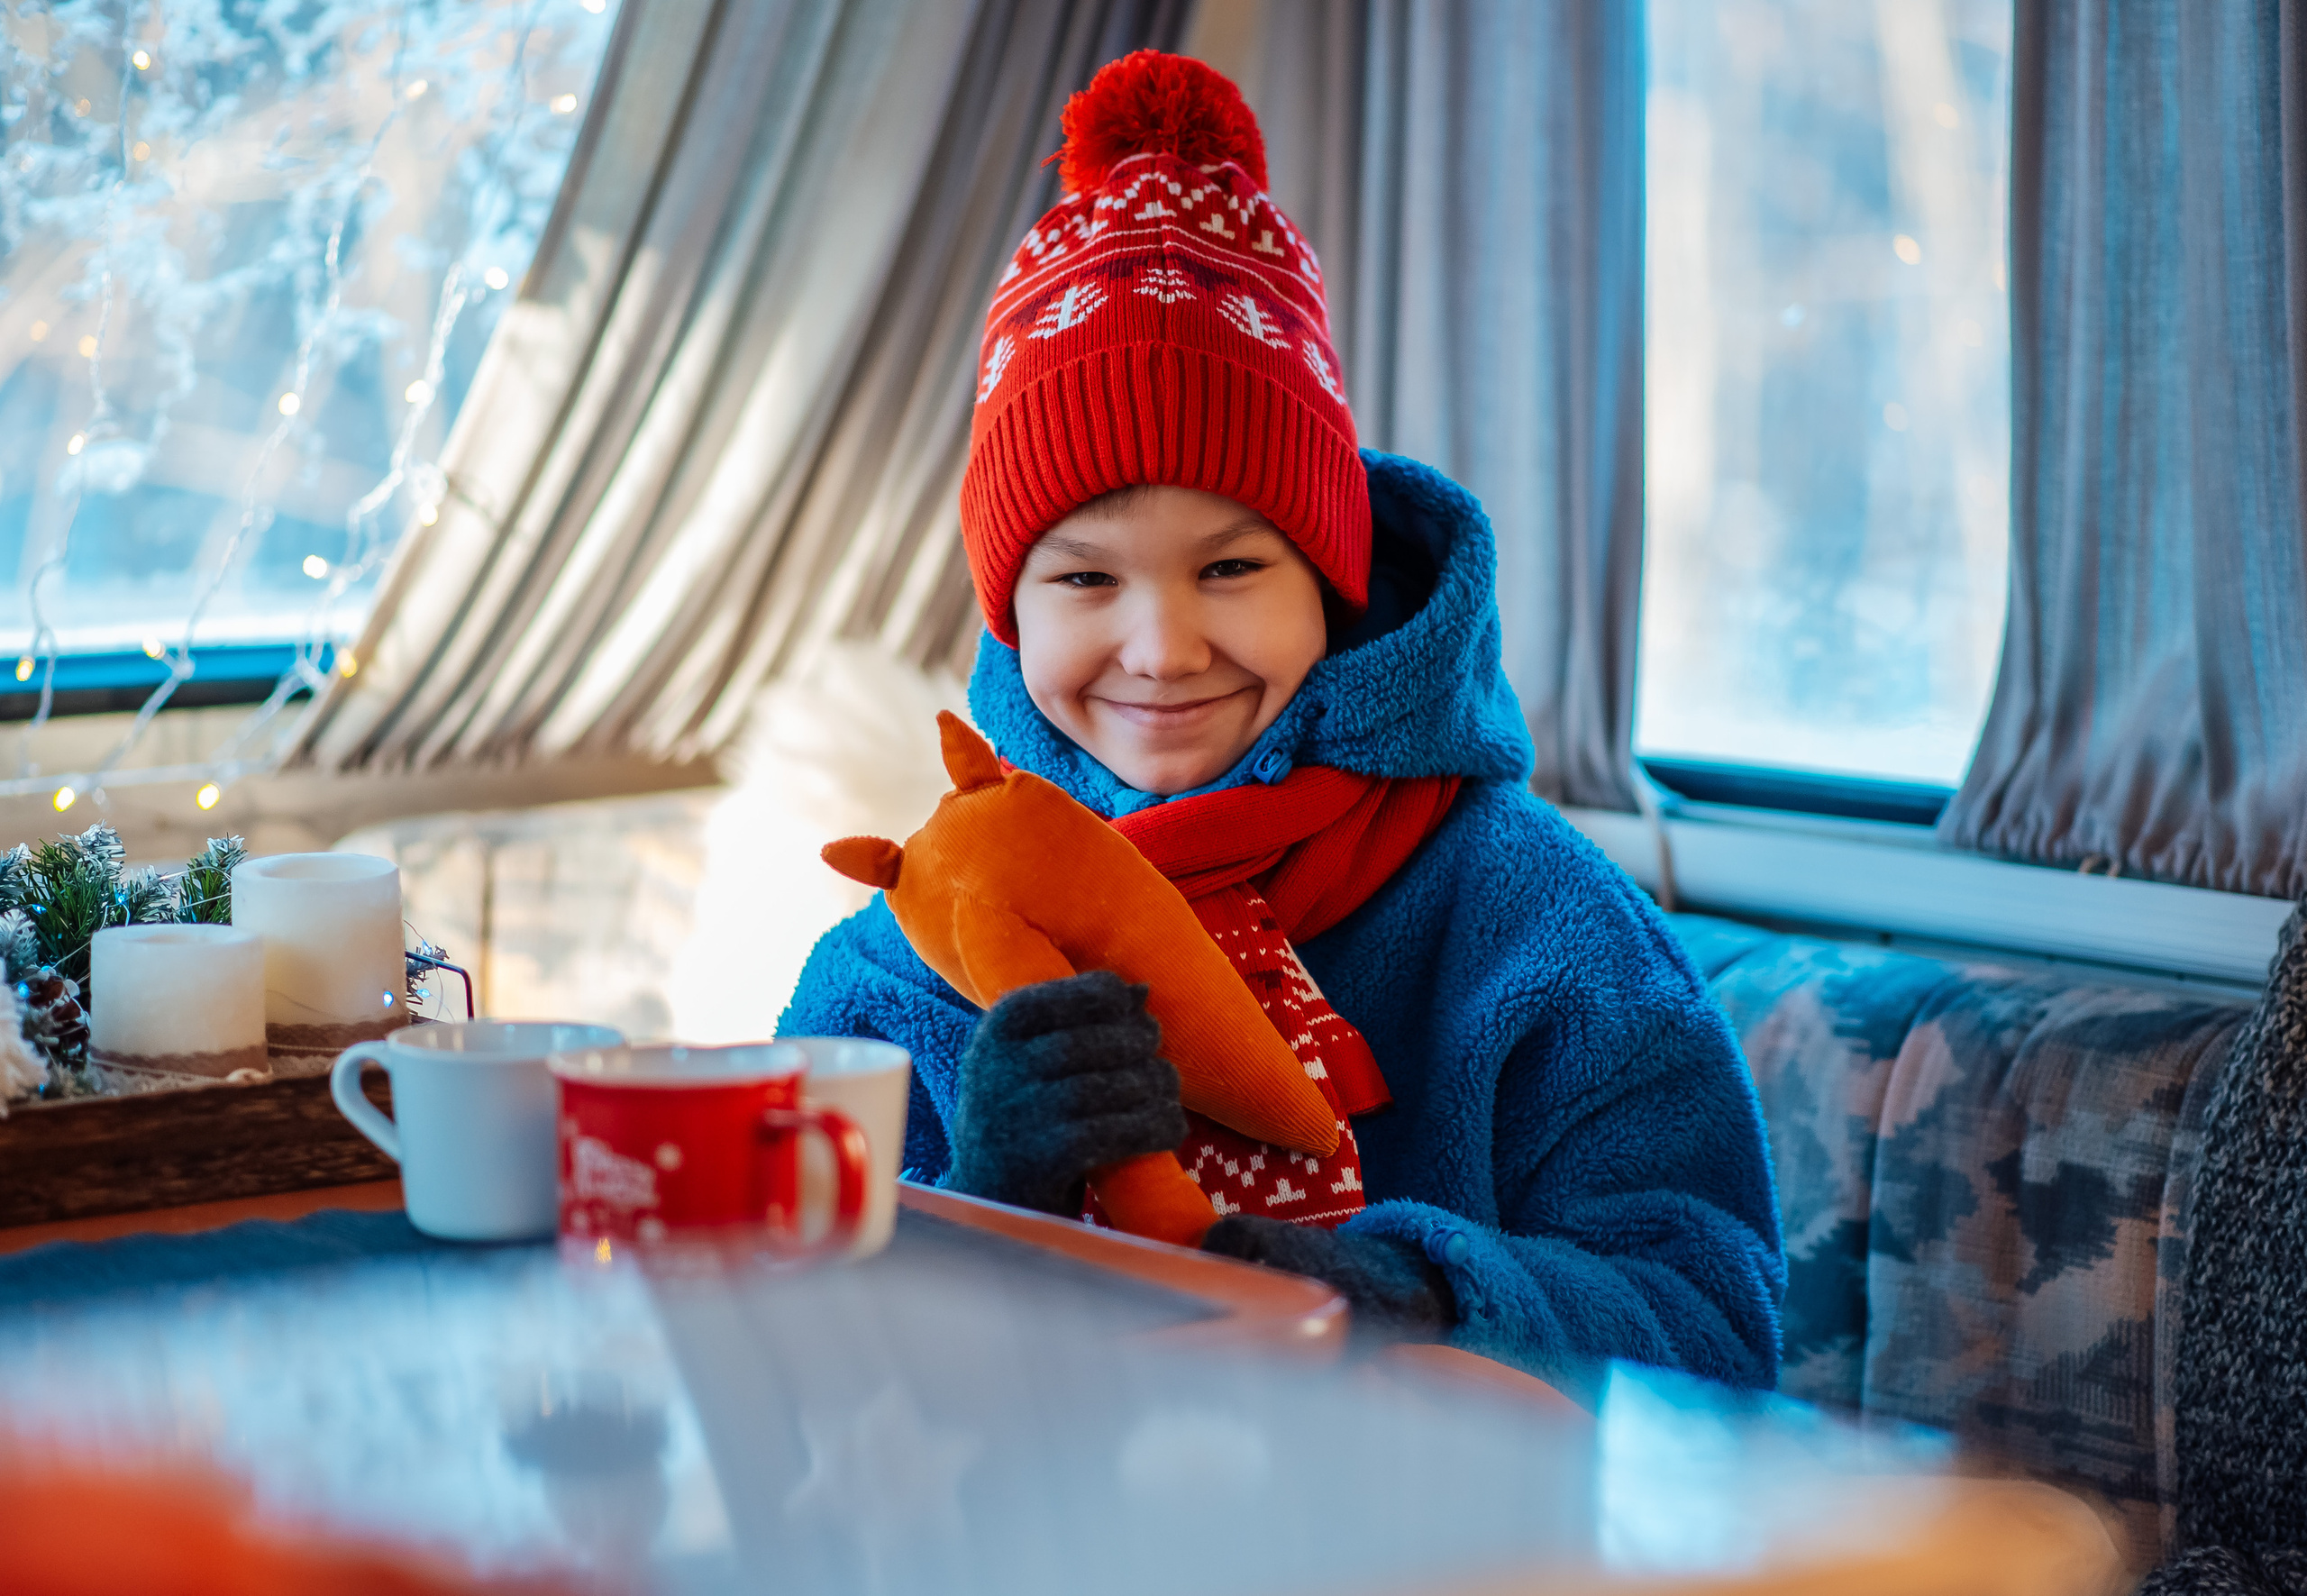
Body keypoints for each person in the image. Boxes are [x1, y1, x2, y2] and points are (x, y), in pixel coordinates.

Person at [780, 50, 1783, 1391]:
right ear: (1012, 611)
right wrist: (987, 1191)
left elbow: (1715, 1331)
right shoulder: (903, 965)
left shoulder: (1547, 930)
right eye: (1086, 579)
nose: (1162, 646)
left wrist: (1416, 1288)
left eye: (1233, 568)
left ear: (1332, 578)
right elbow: (785, 1351)